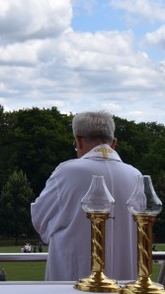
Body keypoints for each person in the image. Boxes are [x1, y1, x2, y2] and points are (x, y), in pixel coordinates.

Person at [31, 111, 140, 282]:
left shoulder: (67, 172)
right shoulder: (135, 176)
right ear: (114, 143)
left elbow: (40, 220)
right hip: (125, 284)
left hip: (73, 282)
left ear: (79, 141)